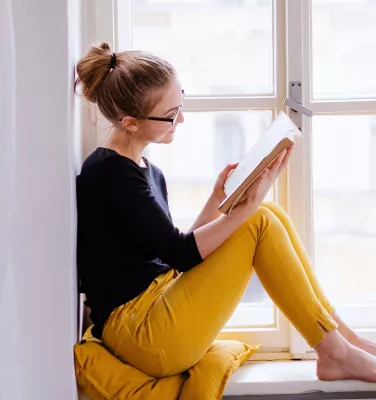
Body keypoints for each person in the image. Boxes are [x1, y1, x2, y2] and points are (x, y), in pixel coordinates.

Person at [75, 42, 376, 383]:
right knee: (258, 219)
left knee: (267, 212)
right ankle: (336, 352)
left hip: (152, 312)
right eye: (171, 114)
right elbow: (182, 254)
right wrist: (242, 211)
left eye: (181, 103)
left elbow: (170, 253)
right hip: (141, 336)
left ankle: (344, 341)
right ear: (129, 122)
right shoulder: (110, 173)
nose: (181, 119)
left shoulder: (143, 169)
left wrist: (219, 200)